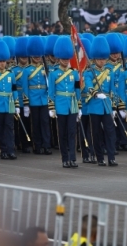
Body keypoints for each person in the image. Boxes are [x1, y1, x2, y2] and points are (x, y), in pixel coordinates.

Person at [48, 36, 80, 168]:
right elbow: (51, 91)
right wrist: (51, 107)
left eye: (67, 58)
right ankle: (64, 158)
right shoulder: (53, 73)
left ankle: (72, 158)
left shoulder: (74, 73)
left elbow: (77, 90)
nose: (66, 61)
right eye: (64, 58)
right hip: (60, 105)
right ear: (59, 58)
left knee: (72, 132)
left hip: (72, 105)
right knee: (62, 133)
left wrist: (79, 106)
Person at [85, 36, 117, 167]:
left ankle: (111, 157)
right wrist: (96, 93)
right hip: (95, 105)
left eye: (103, 58)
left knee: (110, 132)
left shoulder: (109, 72)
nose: (102, 61)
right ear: (94, 58)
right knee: (96, 133)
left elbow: (113, 89)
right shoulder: (89, 72)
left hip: (107, 105)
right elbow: (88, 86)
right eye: (99, 59)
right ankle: (99, 158)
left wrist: (113, 105)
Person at [23, 37, 52, 155]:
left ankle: (47, 145)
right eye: (35, 56)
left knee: (45, 123)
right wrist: (26, 103)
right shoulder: (27, 70)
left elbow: (49, 85)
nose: (37, 58)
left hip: (44, 99)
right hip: (33, 99)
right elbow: (25, 88)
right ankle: (37, 145)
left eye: (39, 56)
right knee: (35, 123)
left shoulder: (46, 68)